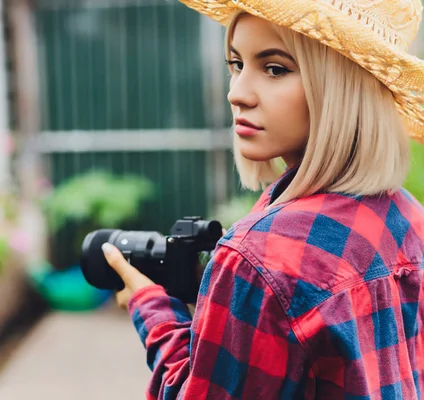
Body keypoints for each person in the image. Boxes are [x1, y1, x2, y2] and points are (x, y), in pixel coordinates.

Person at [101, 0, 424, 399]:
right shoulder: (409, 216)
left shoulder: (261, 256)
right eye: (236, 64)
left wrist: (150, 307)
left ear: (343, 88)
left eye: (275, 68)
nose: (236, 94)